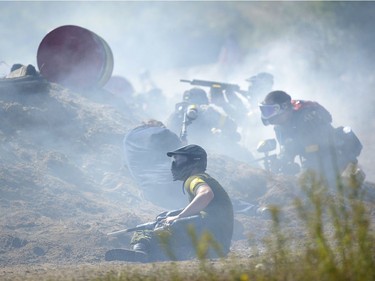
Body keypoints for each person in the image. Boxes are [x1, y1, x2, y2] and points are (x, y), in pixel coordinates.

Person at [105, 144, 234, 262]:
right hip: (218, 243)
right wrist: (176, 214)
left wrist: (178, 217)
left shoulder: (193, 179)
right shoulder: (205, 177)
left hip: (211, 236)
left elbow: (206, 194)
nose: (175, 164)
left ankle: (141, 251)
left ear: (194, 161)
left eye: (179, 160)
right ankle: (164, 253)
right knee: (166, 218)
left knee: (155, 228)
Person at [258, 90, 364, 186]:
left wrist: (298, 163)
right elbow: (288, 147)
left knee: (314, 186)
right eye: (265, 111)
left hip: (333, 154)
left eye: (270, 111)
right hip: (313, 157)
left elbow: (318, 148)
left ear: (283, 107)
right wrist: (282, 161)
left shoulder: (308, 118)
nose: (267, 115)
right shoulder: (280, 127)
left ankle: (351, 175)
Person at [122, 119, 186, 209]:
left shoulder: (129, 137)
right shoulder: (159, 132)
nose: (164, 128)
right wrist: (182, 144)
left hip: (150, 192)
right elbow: (169, 136)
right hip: (173, 189)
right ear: (151, 124)